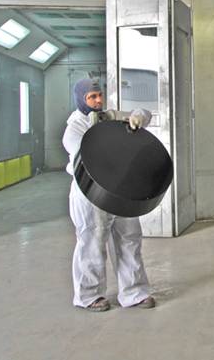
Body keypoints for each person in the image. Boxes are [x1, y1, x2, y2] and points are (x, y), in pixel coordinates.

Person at [63, 78, 155, 312]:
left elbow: (144, 112)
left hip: (120, 189)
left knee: (129, 238)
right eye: (92, 97)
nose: (98, 100)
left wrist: (138, 117)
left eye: (99, 95)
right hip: (90, 194)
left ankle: (134, 293)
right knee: (92, 241)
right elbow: (89, 156)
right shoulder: (75, 127)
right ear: (81, 99)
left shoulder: (110, 116)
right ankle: (89, 296)